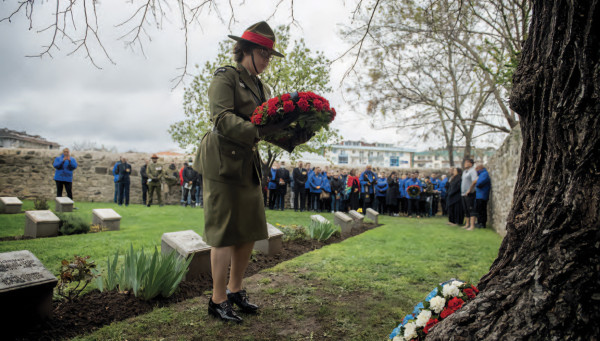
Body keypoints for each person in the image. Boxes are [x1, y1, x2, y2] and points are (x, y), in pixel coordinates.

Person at [198, 21, 301, 324]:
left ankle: (235, 291)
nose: (268, 61)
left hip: (247, 164)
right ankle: (216, 301)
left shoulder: (262, 87)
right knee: (225, 232)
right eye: (265, 55)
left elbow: (265, 126)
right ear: (248, 51)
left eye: (270, 56)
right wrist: (258, 129)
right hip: (222, 163)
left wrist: (293, 132)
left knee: (249, 231)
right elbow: (221, 118)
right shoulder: (225, 77)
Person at [461, 158, 479, 230]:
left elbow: (474, 181)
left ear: (471, 164)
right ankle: (467, 224)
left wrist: (469, 190)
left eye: (467, 162)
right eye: (465, 162)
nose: (465, 164)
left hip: (470, 193)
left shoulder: (472, 171)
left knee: (471, 209)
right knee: (466, 209)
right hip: (463, 193)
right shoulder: (465, 171)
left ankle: (472, 226)